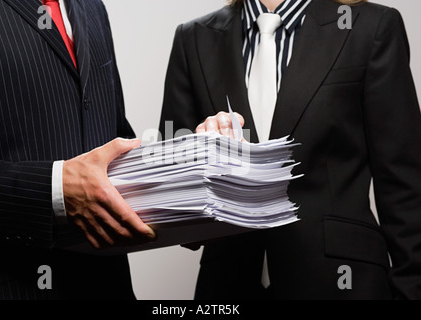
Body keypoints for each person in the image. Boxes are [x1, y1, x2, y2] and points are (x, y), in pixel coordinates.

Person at [159, 0, 421, 299]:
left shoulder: (371, 25)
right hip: (227, 285)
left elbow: (405, 184)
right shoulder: (193, 36)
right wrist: (203, 154)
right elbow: (172, 202)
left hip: (342, 283)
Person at [0, 0, 156, 300]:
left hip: (110, 287)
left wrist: (196, 160)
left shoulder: (92, 7)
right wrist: (55, 188)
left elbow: (115, 136)